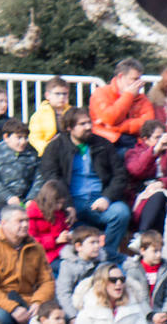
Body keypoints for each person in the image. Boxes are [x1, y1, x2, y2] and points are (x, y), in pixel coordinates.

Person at [39, 108, 132, 261]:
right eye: (82, 124)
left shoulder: (103, 144)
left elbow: (120, 175)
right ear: (69, 128)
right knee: (59, 220)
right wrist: (67, 205)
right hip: (71, 203)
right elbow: (51, 177)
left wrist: (107, 198)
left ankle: (105, 256)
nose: (88, 127)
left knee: (121, 212)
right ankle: (74, 261)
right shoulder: (55, 147)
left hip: (99, 201)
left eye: (89, 122)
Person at [125, 121, 167, 234]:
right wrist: (154, 151)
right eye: (157, 137)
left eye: (163, 136)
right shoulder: (134, 153)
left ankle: (142, 237)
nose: (162, 141)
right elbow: (136, 171)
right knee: (158, 198)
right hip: (141, 196)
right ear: (145, 139)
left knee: (160, 198)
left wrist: (162, 183)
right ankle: (142, 235)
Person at [88, 58, 155, 148]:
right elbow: (110, 118)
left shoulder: (142, 98)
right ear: (120, 76)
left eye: (139, 79)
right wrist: (128, 95)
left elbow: (148, 125)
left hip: (134, 142)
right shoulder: (101, 93)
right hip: (108, 142)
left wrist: (116, 127)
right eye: (134, 79)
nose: (139, 84)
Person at [0, 119, 38, 208]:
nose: (23, 141)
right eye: (19, 137)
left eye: (25, 137)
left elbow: (39, 177)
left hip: (26, 202)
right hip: (1, 202)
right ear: (6, 137)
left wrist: (31, 198)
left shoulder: (32, 153)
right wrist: (7, 197)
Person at [26, 179, 73, 269]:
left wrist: (68, 236)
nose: (59, 206)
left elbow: (63, 229)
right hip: (45, 256)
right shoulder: (32, 215)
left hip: (61, 250)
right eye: (57, 203)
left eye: (61, 203)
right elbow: (32, 242)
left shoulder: (59, 212)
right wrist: (55, 240)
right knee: (68, 268)